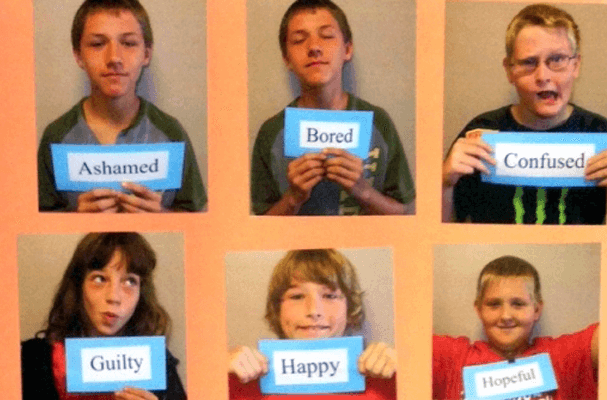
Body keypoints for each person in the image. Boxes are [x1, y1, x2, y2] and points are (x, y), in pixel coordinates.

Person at [442, 4, 607, 224]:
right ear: (509, 70)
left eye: (557, 59)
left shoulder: (601, 134)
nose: (543, 76)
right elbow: (438, 231)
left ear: (575, 65)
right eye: (529, 62)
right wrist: (444, 182)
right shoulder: (480, 134)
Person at [37, 0, 206, 213]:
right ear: (78, 56)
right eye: (97, 44)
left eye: (128, 43)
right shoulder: (57, 137)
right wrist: (73, 220)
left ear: (146, 54)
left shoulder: (171, 133)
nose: (114, 58)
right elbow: (36, 219)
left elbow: (195, 218)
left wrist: (164, 217)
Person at [250, 0, 415, 216]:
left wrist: (363, 191)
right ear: (286, 59)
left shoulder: (378, 123)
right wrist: (293, 198)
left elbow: (404, 213)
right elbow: (259, 226)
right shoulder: (271, 133)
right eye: (299, 40)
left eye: (327, 36)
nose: (314, 47)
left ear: (347, 49)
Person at [21, 233, 186, 399]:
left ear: (141, 294)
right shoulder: (32, 359)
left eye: (130, 281)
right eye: (100, 279)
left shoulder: (157, 362)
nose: (113, 297)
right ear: (79, 286)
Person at [228, 249, 396, 399]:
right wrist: (217, 372)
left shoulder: (388, 382)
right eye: (297, 296)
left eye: (330, 296)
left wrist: (407, 368)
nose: (314, 311)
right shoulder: (238, 383)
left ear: (349, 309)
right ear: (277, 310)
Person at [432, 255, 598, 399]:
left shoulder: (560, 358)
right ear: (479, 310)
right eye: (494, 304)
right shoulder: (454, 359)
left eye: (518, 304)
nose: (506, 316)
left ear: (536, 310)